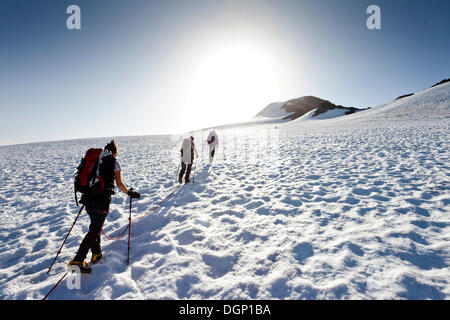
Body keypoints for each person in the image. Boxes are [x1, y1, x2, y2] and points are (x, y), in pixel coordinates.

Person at [68, 140, 140, 273]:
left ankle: (97, 253)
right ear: (115, 152)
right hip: (102, 201)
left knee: (95, 226)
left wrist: (86, 195)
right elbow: (119, 184)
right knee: (94, 230)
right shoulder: (113, 163)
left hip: (88, 199)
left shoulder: (95, 161)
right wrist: (129, 192)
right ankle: (78, 261)